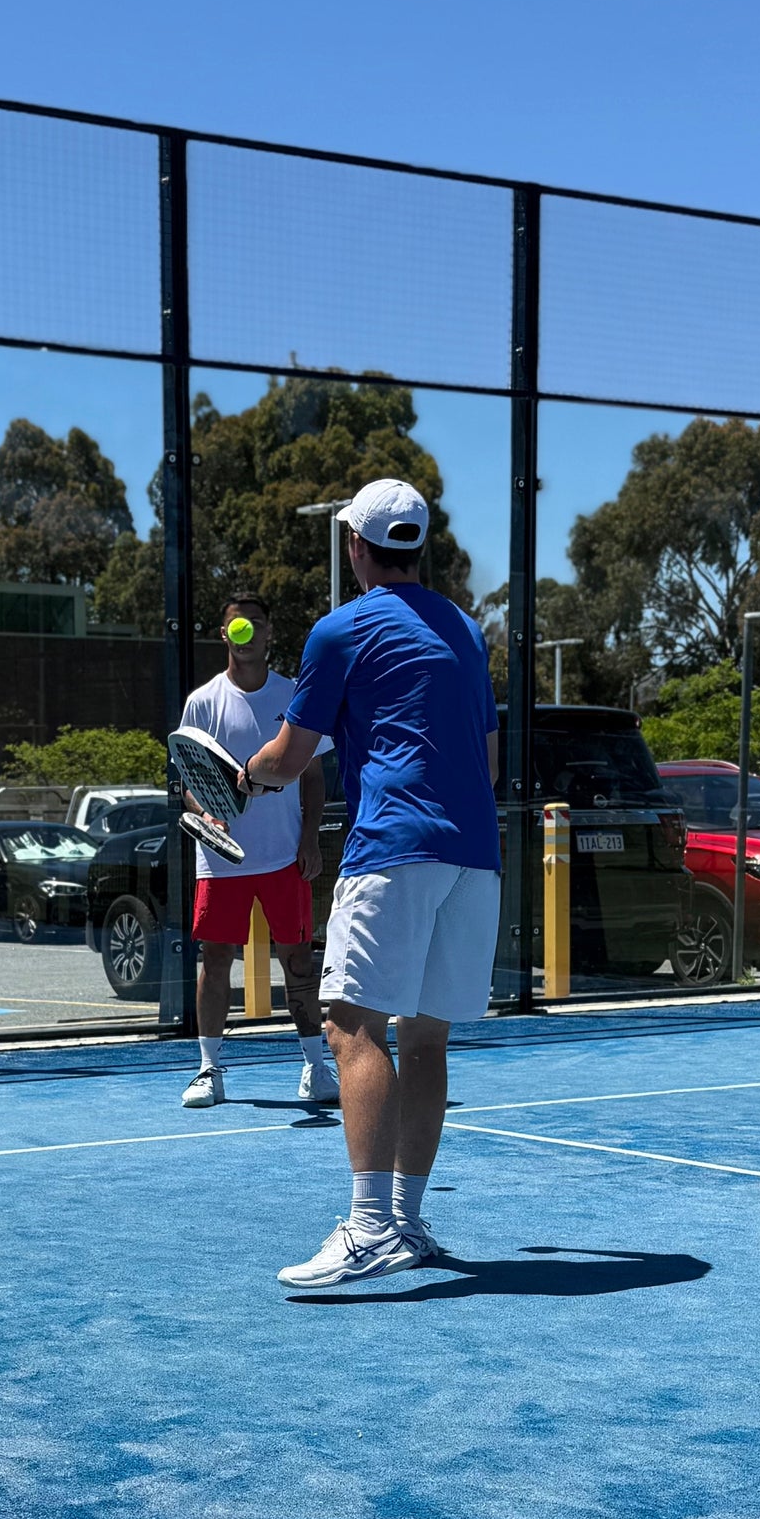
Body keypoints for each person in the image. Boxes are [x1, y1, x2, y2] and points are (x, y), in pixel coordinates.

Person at [234, 479, 501, 1287]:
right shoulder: (466, 631)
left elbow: (287, 757)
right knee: (425, 1039)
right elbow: (488, 761)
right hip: (475, 855)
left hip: (393, 850)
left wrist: (241, 777)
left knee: (351, 1027)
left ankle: (370, 1227)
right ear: (417, 545)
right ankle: (407, 1222)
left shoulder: (340, 631)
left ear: (355, 544)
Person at [178, 593, 337, 1110]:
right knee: (215, 959)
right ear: (224, 634)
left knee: (298, 961)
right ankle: (208, 1070)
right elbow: (191, 779)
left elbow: (313, 776)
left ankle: (315, 1068)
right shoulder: (203, 702)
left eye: (256, 624)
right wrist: (206, 814)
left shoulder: (294, 696)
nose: (246, 632)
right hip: (221, 861)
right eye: (236, 626)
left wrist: (309, 838)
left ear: (268, 632)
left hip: (284, 857)